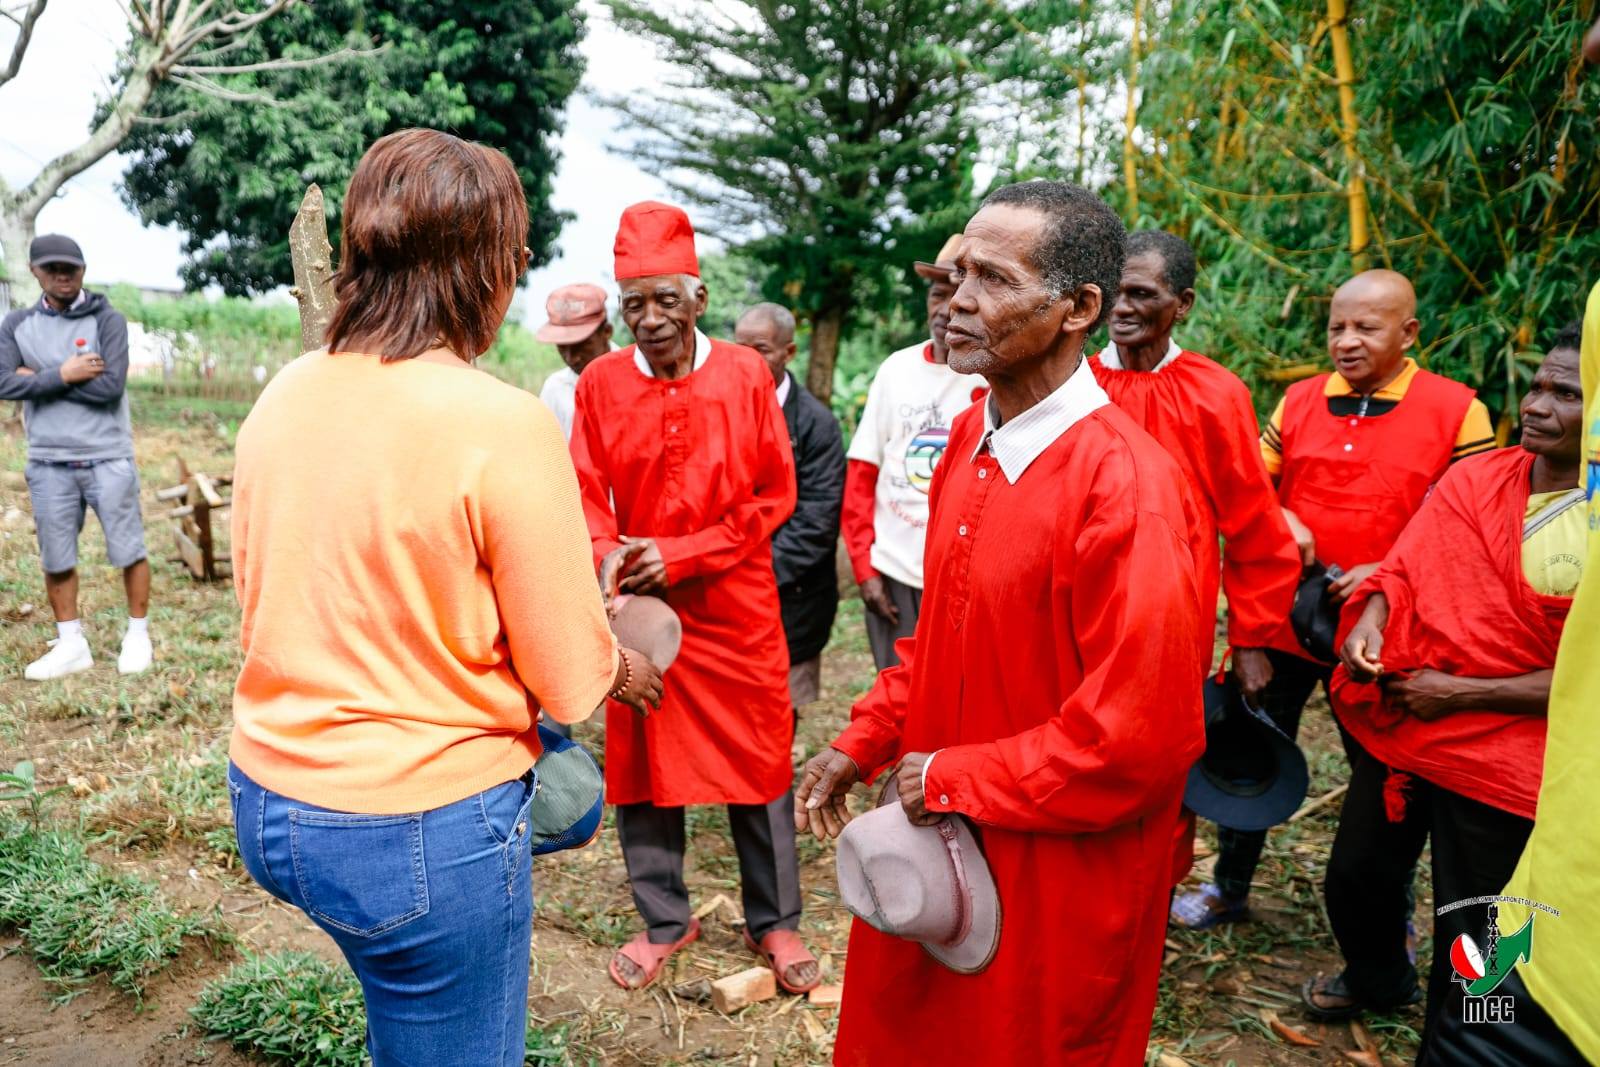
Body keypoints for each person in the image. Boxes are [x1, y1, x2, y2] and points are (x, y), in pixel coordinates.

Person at [225, 129, 662, 1067]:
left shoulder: (286, 392)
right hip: (414, 832)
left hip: (269, 797)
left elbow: (264, 585)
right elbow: (568, 673)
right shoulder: (499, 421)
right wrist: (625, 662)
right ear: (487, 271)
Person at [799, 180, 1207, 1065]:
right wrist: (864, 739)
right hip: (943, 847)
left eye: (991, 278)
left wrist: (950, 776)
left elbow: (1138, 737)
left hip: (1055, 884)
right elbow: (939, 639)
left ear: (1079, 308)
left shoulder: (1128, 490)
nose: (958, 301)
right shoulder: (968, 440)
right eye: (954, 276)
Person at [569, 201, 821, 996]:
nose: (648, 320)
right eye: (632, 303)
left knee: (759, 760)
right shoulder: (600, 384)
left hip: (737, 604)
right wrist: (612, 556)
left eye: (664, 300)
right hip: (640, 612)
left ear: (698, 299)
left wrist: (679, 553)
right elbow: (583, 494)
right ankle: (664, 921)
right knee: (641, 764)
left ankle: (775, 920)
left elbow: (773, 495)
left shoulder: (747, 376)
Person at [1325, 328, 1583, 1047]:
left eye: (1566, 394)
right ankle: (1382, 978)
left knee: (1483, 930)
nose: (1536, 405)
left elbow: (1588, 677)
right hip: (1413, 722)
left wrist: (1462, 694)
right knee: (1355, 879)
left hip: (1513, 755)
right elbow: (1401, 569)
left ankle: (1472, 1048)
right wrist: (1369, 622)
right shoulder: (1479, 479)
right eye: (1536, 386)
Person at [1262, 269, 1496, 1018]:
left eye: (1366, 328)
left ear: (1410, 334)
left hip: (1389, 626)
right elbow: (1250, 487)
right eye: (1336, 327)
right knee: (1255, 732)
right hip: (1291, 607)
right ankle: (1230, 887)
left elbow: (1470, 526)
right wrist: (1280, 523)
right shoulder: (1299, 398)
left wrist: (1393, 564)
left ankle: (1382, 936)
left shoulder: (1458, 410)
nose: (1346, 341)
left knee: (1381, 784)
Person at [1088, 230, 1302, 909]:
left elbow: (1252, 522)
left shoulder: (1214, 393)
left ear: (1179, 304)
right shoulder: (1070, 381)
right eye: (1114, 292)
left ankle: (1149, 894)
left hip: (1170, 617)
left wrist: (1252, 635)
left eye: (1142, 295)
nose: (1123, 307)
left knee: (1159, 754)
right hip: (1075, 603)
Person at [0, 234, 152, 679]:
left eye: (72, 268)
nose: (63, 276)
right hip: (48, 460)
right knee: (56, 554)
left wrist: (37, 378)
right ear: (35, 273)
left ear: (84, 271)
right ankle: (71, 644)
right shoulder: (16, 325)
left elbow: (110, 387)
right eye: (52, 269)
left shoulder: (108, 319)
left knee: (129, 548)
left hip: (107, 454)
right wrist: (65, 373)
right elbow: (4, 383)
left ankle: (137, 634)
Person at [841, 235, 987, 669]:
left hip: (964, 578)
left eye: (960, 294)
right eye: (938, 293)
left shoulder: (994, 378)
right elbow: (862, 476)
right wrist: (865, 570)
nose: (946, 308)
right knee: (893, 697)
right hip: (896, 572)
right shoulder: (896, 370)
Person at [735, 302, 846, 710]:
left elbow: (816, 522)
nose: (747, 360)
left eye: (760, 349)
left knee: (779, 708)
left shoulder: (817, 424)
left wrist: (750, 573)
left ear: (789, 352)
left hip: (792, 595)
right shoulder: (722, 408)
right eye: (739, 348)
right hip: (727, 592)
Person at [536, 283, 614, 439]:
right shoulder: (555, 389)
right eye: (562, 347)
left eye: (582, 346)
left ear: (606, 332)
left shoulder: (637, 375)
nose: (571, 358)